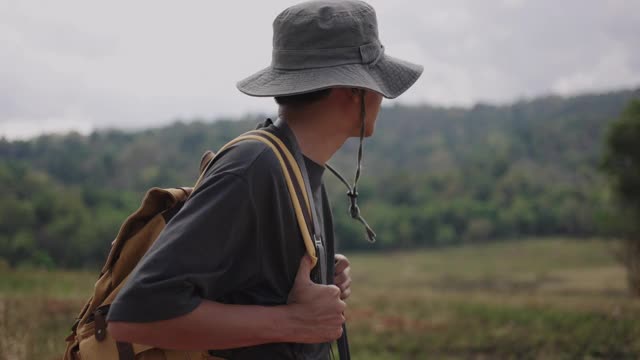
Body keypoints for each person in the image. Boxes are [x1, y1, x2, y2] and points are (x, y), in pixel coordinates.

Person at [107, 0, 422, 359]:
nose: (381, 96)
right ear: (353, 88)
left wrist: (319, 272)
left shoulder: (297, 167)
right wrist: (293, 322)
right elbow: (134, 315)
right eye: (376, 81)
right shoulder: (254, 167)